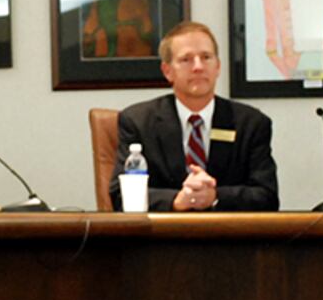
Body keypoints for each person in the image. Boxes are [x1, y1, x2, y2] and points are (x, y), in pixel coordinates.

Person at [109, 21, 279, 211]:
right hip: (163, 236)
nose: (198, 66)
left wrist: (215, 196)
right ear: (167, 71)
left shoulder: (251, 124)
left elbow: (267, 196)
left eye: (206, 57)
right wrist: (177, 200)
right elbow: (120, 196)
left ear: (218, 67)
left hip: (229, 236)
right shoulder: (138, 122)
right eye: (186, 59)